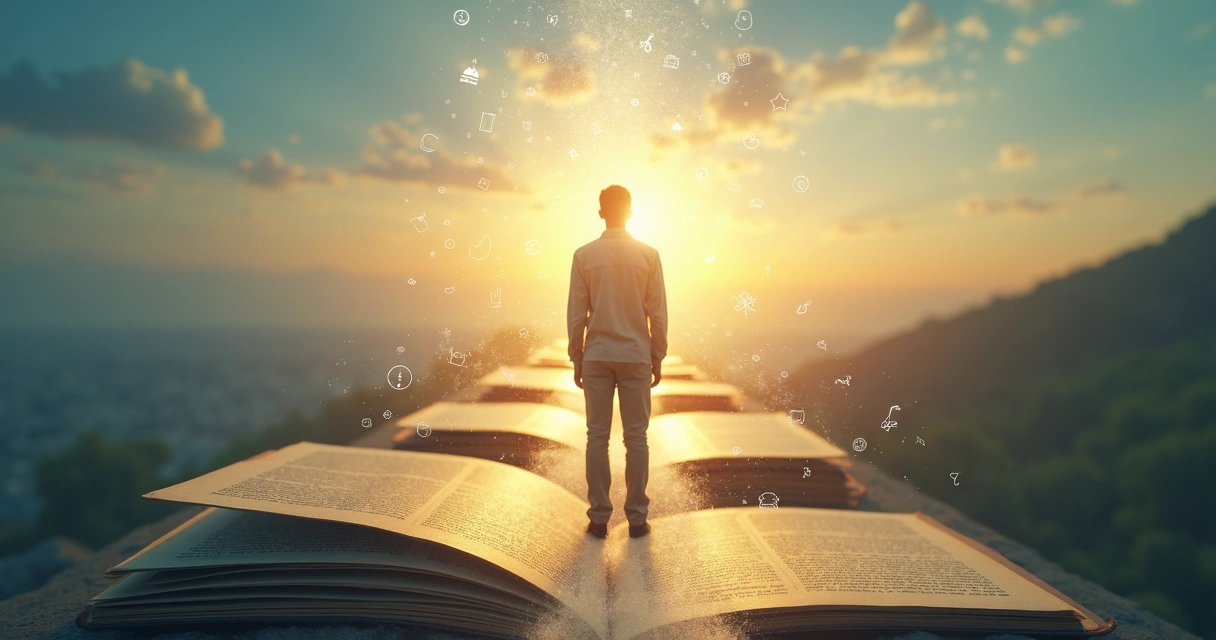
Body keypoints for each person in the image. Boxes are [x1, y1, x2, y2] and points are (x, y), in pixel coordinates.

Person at [567, 185, 667, 540]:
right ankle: (637, 520)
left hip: (596, 354)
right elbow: (657, 312)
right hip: (636, 354)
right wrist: (657, 355)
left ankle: (599, 519)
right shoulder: (648, 255)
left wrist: (576, 356)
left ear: (600, 213)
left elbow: (577, 314)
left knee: (597, 437)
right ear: (630, 211)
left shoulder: (583, 256)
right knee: (636, 438)